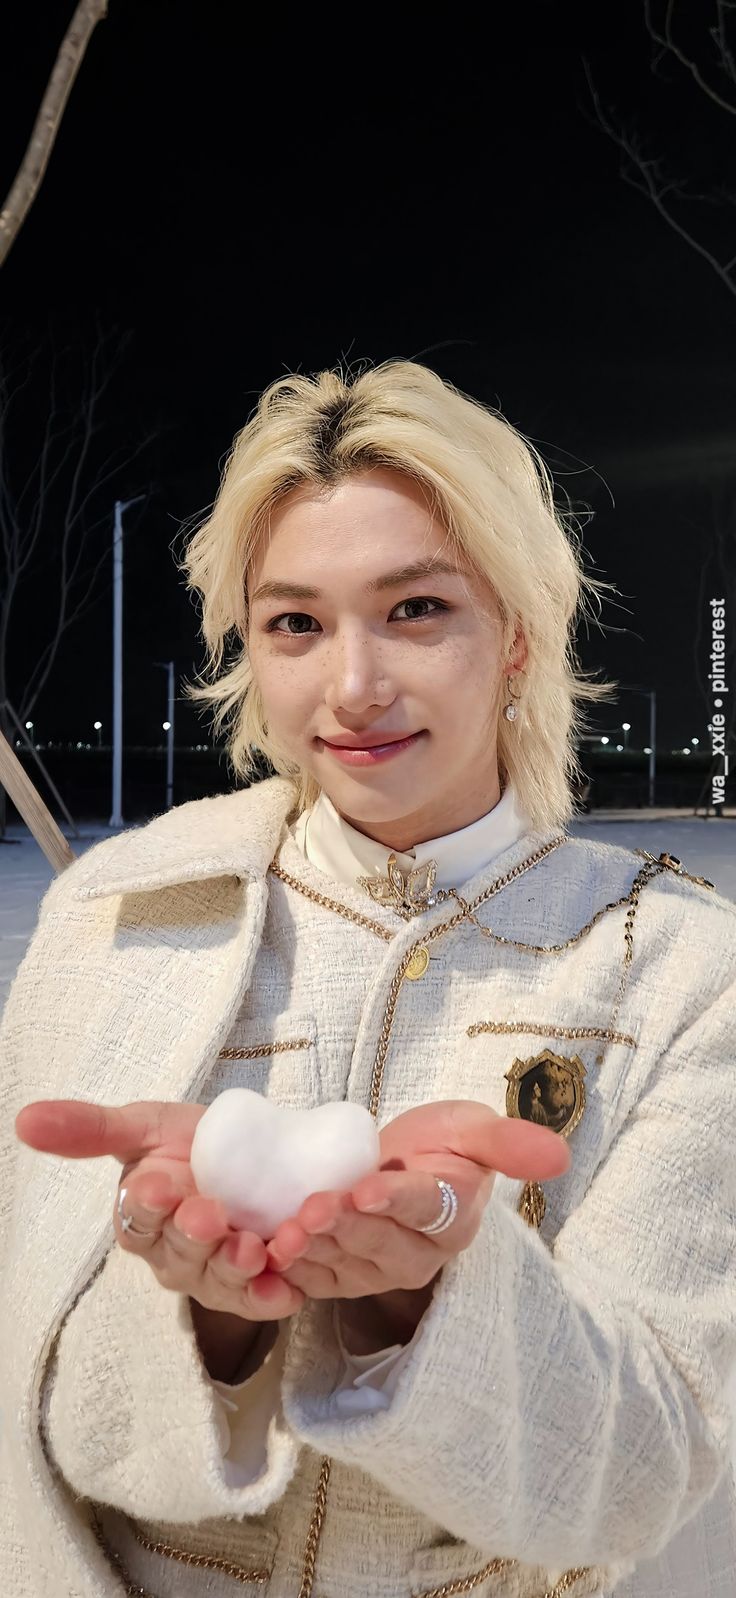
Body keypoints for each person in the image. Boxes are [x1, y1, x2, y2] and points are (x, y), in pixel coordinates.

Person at [1, 358, 735, 1598]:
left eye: (415, 610)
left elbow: (638, 1470)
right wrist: (214, 1319)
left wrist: (423, 1301)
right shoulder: (122, 922)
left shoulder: (671, 963)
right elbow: (38, 1401)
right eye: (295, 622)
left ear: (517, 632)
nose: (350, 686)